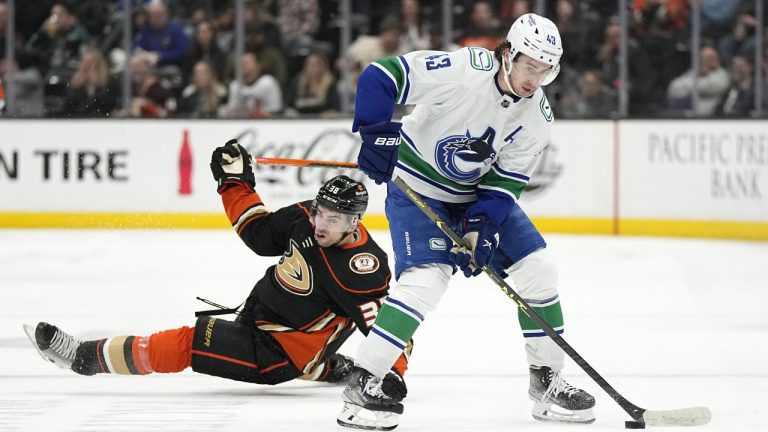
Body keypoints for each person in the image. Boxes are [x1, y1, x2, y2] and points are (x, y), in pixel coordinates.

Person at [338, 13, 595, 430]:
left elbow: (503, 183)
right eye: (531, 65)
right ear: (508, 54)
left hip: (473, 196)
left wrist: (483, 227)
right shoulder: (464, 71)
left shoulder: (538, 117)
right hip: (419, 188)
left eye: (546, 69)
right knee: (426, 281)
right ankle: (362, 383)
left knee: (539, 271)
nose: (536, 77)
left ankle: (546, 382)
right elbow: (380, 76)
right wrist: (376, 132)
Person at [24, 141, 408, 395]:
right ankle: (329, 367)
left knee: (188, 341)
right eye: (321, 212)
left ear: (355, 222)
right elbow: (258, 235)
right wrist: (234, 183)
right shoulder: (304, 216)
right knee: (305, 347)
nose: (322, 224)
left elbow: (390, 327)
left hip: (276, 352)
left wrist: (392, 374)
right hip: (260, 317)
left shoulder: (361, 269)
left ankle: (82, 357)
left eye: (335, 220)